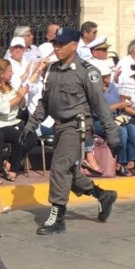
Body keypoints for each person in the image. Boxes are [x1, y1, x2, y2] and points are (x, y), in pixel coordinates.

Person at [22, 28, 119, 235]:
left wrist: (112, 133)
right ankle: (103, 195)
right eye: (55, 44)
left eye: (61, 44)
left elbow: (100, 105)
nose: (56, 48)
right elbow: (44, 102)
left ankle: (57, 217)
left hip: (76, 126)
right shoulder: (52, 69)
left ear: (74, 46)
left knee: (59, 167)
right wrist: (30, 125)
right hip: (59, 125)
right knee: (67, 170)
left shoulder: (87, 72)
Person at [0, 60, 29, 182]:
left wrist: (22, 97)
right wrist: (18, 97)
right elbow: (1, 110)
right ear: (2, 73)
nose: (12, 73)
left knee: (31, 136)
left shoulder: (9, 85)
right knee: (19, 137)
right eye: (10, 71)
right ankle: (13, 169)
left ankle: (8, 162)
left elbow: (21, 105)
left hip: (12, 121)